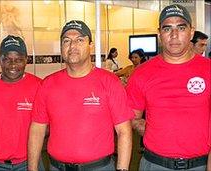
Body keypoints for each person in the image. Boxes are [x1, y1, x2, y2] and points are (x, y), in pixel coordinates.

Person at [28, 20, 133, 171]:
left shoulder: (109, 82)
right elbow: (37, 130)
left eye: (79, 40)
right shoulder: (48, 84)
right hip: (57, 167)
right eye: (66, 41)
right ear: (61, 47)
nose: (72, 46)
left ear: (90, 45)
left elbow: (124, 131)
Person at [126, 4, 211, 170]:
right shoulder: (142, 73)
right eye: (167, 29)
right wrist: (145, 127)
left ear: (191, 32)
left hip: (200, 165)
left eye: (181, 27)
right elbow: (131, 116)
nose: (174, 35)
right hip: (154, 164)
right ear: (160, 34)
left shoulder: (208, 69)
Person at [0, 35, 42, 171]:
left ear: (26, 59)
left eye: (18, 59)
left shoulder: (39, 87)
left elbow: (46, 127)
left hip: (29, 162)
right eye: (7, 59)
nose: (13, 65)